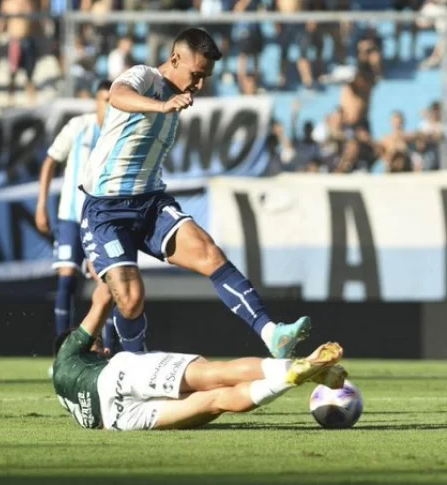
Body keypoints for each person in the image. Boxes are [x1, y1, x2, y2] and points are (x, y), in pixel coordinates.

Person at [79, 27, 310, 358]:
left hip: (150, 203)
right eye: (197, 75)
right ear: (175, 59)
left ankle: (272, 334)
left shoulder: (177, 97)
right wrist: (161, 106)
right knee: (130, 300)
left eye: (206, 78)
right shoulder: (145, 77)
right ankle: (135, 365)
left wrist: (168, 105)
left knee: (210, 255)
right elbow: (118, 95)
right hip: (106, 210)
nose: (199, 85)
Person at [53, 281, 346, 431]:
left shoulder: (65, 395)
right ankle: (292, 366)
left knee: (216, 401)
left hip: (118, 420)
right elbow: (103, 299)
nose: (105, 349)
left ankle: (291, 378)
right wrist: (107, 268)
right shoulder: (67, 351)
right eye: (97, 345)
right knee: (215, 373)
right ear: (72, 343)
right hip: (117, 376)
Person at [35, 81, 118, 353]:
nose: (110, 106)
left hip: (101, 222)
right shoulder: (78, 126)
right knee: (66, 278)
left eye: (114, 100)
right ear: (96, 101)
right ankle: (62, 355)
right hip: (70, 217)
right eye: (105, 100)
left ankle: (110, 355)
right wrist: (41, 205)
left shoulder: (121, 134)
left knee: (109, 284)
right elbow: (50, 161)